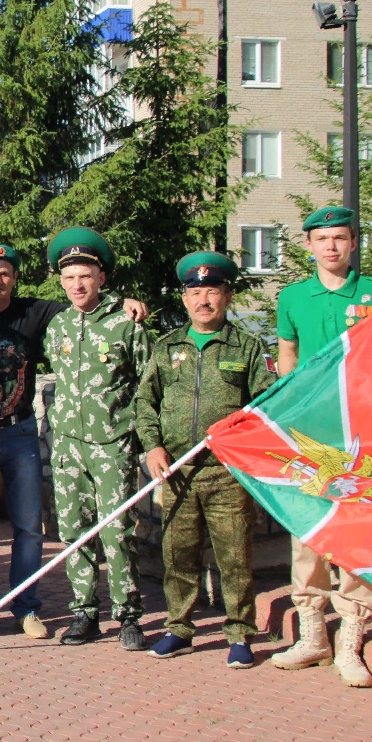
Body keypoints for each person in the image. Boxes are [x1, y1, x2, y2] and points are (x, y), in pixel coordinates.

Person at [0, 245, 149, 640]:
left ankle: (34, 608)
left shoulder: (45, 314)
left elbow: (95, 310)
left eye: (5, 274)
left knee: (34, 528)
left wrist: (126, 300)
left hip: (24, 433)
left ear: (15, 277)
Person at [269, 206, 372, 688]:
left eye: (340, 238)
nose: (331, 247)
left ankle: (351, 636)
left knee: (360, 534)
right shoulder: (293, 297)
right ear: (309, 246)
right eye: (322, 239)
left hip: (363, 436)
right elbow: (288, 357)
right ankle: (312, 635)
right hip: (312, 437)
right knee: (310, 533)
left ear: (352, 244)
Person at [134, 253, 276, 668]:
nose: (204, 300)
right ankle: (179, 628)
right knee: (178, 555)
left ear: (227, 296)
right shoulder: (167, 347)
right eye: (195, 292)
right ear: (184, 299)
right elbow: (146, 401)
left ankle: (239, 634)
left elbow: (265, 406)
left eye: (212, 291)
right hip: (177, 472)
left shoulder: (248, 348)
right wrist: (153, 446)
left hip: (226, 472)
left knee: (235, 556)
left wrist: (244, 446)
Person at [44, 227, 153, 650]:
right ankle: (84, 613)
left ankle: (128, 615)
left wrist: (143, 440)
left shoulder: (127, 324)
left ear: (102, 278)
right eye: (69, 278)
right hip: (68, 444)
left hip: (113, 444)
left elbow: (147, 385)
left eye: (85, 276)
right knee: (73, 531)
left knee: (119, 531)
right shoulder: (58, 327)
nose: (77, 285)